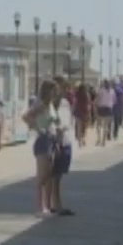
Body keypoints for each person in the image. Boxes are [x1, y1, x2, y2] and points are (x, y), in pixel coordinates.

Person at [23, 79, 59, 217]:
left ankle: (46, 206)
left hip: (51, 139)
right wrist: (38, 128)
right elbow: (26, 116)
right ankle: (41, 207)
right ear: (47, 90)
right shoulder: (42, 104)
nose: (55, 93)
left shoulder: (50, 105)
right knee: (42, 176)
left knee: (49, 174)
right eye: (53, 90)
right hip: (43, 139)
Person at [48, 77, 76, 216]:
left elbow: (68, 121)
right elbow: (53, 125)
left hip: (65, 140)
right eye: (61, 87)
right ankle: (55, 205)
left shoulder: (65, 103)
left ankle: (55, 204)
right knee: (54, 176)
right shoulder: (50, 104)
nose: (64, 90)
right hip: (57, 141)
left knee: (58, 176)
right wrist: (56, 142)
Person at [94, 80, 115, 146]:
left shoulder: (101, 90)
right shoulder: (112, 91)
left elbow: (97, 100)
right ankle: (104, 141)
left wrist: (96, 106)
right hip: (109, 108)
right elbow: (114, 101)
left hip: (101, 108)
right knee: (106, 126)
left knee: (98, 125)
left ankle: (99, 139)